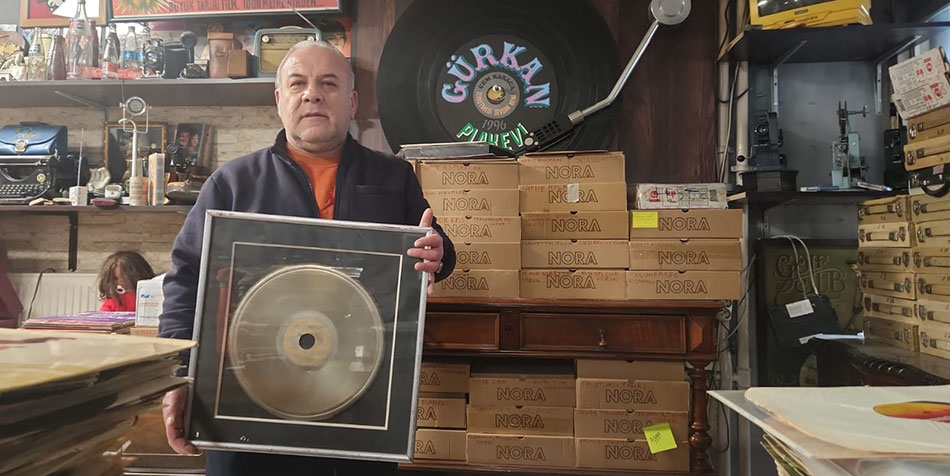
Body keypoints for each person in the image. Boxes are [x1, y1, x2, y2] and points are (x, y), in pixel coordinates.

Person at [158, 40, 455, 476]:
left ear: (352, 103)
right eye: (298, 84)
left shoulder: (393, 176)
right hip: (247, 410)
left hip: (361, 405)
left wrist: (437, 251)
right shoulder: (232, 184)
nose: (312, 94)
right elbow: (186, 280)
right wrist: (178, 375)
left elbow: (435, 249)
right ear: (280, 100)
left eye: (329, 84)